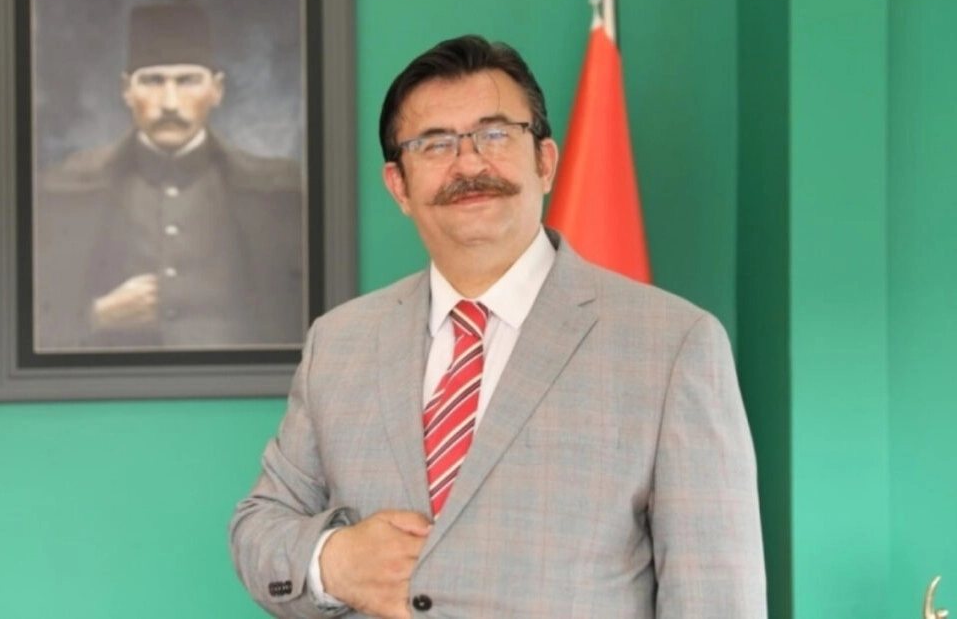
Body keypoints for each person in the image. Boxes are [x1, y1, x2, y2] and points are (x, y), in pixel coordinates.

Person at [230, 35, 766, 618]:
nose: (468, 164)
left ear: (545, 162)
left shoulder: (674, 346)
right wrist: (332, 561)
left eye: (495, 134)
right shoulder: (339, 342)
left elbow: (717, 598)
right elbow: (260, 526)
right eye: (435, 144)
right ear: (399, 186)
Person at [34, 1, 304, 351]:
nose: (170, 103)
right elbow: (28, 330)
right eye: (153, 81)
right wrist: (96, 316)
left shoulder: (279, 192)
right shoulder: (64, 189)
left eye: (188, 81)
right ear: (126, 90)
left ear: (217, 90)